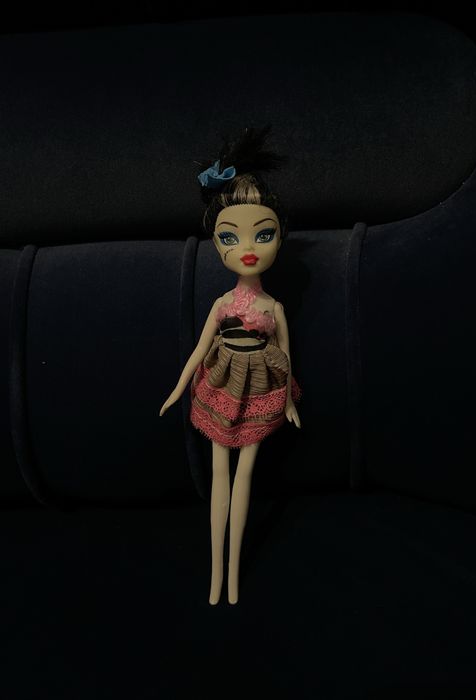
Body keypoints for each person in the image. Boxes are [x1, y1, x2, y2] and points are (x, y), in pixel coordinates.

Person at [160, 124, 302, 605]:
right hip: (222, 383)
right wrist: (178, 388)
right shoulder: (222, 304)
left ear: (279, 239)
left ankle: (234, 573)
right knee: (220, 473)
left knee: (245, 477)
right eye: (230, 236)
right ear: (218, 244)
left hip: (260, 387)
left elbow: (286, 356)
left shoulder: (273, 308)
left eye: (263, 234)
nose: (247, 248)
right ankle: (216, 573)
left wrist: (288, 402)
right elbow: (199, 350)